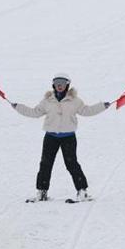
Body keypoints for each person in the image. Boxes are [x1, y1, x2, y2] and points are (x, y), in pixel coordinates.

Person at [11, 73, 111, 202]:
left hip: (68, 137)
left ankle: (82, 192)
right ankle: (42, 192)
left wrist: (103, 106)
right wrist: (18, 107)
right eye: (57, 82)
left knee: (72, 164)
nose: (59, 85)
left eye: (63, 83)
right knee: (45, 164)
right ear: (53, 84)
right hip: (50, 137)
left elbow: (87, 111)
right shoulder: (47, 101)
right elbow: (34, 113)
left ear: (67, 85)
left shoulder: (75, 101)